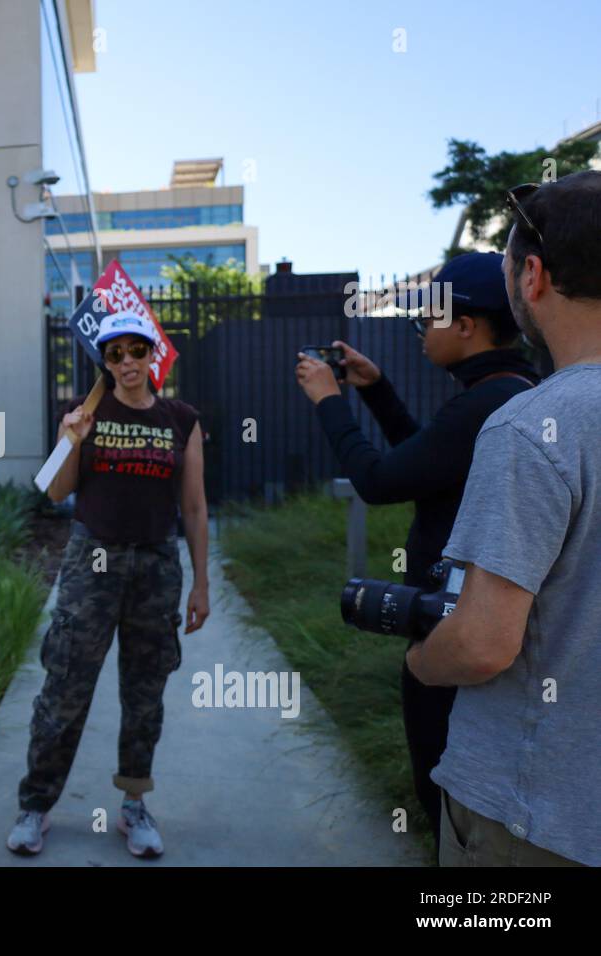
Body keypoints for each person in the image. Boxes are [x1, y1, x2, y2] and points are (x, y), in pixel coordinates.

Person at [293, 252, 538, 847]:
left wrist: (329, 400)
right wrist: (376, 392)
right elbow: (423, 466)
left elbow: (378, 482)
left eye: (427, 319)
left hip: (456, 630)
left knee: (445, 802)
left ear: (466, 325)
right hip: (478, 618)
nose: (422, 331)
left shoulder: (484, 402)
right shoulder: (509, 391)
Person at [408, 170, 601, 867]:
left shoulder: (534, 426)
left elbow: (483, 645)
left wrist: (421, 660)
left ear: (534, 277)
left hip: (534, 818)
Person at [8, 311, 210, 859]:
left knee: (145, 694)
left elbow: (193, 505)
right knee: (64, 689)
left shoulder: (182, 419)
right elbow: (54, 492)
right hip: (90, 565)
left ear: (152, 355)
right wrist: (71, 441)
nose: (126, 362)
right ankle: (36, 804)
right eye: (114, 354)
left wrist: (201, 583)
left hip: (155, 566)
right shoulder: (84, 415)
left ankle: (134, 805)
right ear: (106, 361)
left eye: (135, 351)